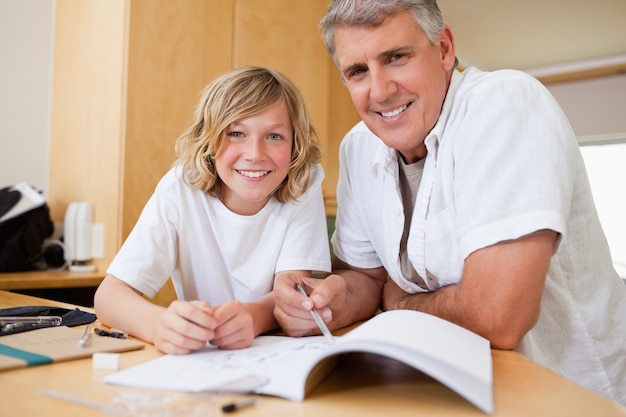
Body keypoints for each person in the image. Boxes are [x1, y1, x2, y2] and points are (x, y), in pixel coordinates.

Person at [273, 0, 626, 405]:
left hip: (567, 396)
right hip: (444, 390)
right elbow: (366, 277)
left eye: (396, 57)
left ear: (444, 49)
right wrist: (333, 297)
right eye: (357, 71)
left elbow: (499, 316)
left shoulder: (503, 103)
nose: (380, 90)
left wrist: (400, 301)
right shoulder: (357, 147)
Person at [94, 66, 331, 355]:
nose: (255, 154)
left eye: (274, 136)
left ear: (295, 144)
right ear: (209, 141)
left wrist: (253, 318)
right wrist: (157, 324)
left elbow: (290, 293)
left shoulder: (303, 184)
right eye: (236, 133)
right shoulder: (179, 189)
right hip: (204, 357)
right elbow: (108, 296)